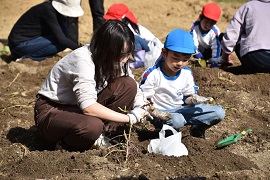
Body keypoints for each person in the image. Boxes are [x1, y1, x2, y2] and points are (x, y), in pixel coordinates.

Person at [34, 20, 150, 152]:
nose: (126, 59)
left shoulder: (115, 59)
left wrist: (141, 106)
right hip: (53, 111)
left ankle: (106, 134)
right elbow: (88, 107)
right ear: (107, 49)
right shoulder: (82, 60)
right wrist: (129, 118)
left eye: (128, 53)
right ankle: (66, 145)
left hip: (78, 107)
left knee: (128, 85)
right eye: (122, 54)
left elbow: (132, 83)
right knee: (92, 126)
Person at [140, 28, 225, 138]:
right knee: (177, 120)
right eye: (175, 58)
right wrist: (154, 111)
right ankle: (165, 134)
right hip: (160, 114)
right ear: (165, 53)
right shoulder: (153, 74)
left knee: (218, 112)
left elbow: (186, 98)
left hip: (180, 110)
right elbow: (144, 100)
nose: (180, 63)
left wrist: (194, 100)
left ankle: (197, 128)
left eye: (185, 59)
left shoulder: (186, 73)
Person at [8, 0, 83, 61]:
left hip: (29, 41)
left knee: (65, 38)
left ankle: (32, 55)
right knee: (62, 43)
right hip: (18, 46)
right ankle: (27, 57)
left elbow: (70, 37)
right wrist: (82, 50)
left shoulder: (53, 10)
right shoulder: (47, 10)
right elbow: (62, 39)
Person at [103, 3, 163, 69]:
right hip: (151, 54)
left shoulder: (129, 30)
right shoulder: (129, 26)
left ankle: (139, 61)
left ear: (121, 19)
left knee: (132, 38)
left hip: (154, 56)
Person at [221, 0, 270, 73]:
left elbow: (231, 36)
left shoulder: (248, 7)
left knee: (238, 34)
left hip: (255, 58)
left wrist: (223, 59)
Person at [190, 2, 233, 67]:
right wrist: (197, 53)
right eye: (206, 21)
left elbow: (215, 47)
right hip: (200, 51)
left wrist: (215, 61)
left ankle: (226, 59)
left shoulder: (214, 31)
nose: (208, 25)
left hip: (210, 51)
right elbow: (193, 41)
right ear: (201, 17)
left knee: (222, 40)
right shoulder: (195, 27)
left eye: (211, 23)